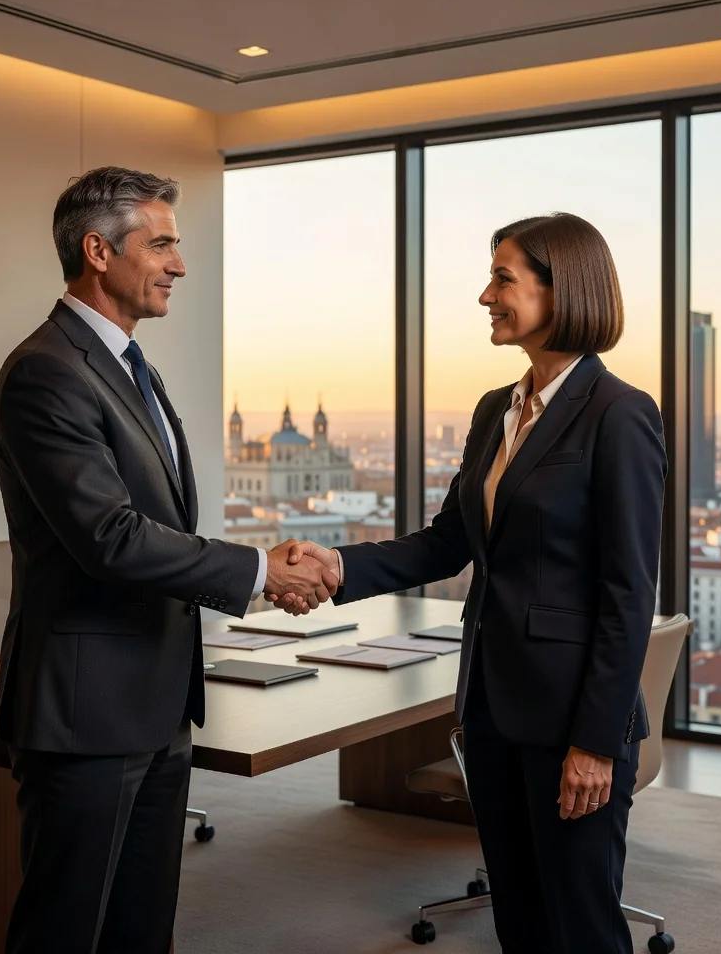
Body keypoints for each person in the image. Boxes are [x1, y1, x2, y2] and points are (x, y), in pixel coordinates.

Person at [273, 213, 666, 954]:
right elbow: (450, 542)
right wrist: (338, 568)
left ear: (562, 291)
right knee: (517, 918)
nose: (485, 295)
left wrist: (595, 743)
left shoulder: (619, 415)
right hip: (488, 707)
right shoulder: (497, 410)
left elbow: (627, 595)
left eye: (503, 278)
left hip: (569, 721)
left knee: (581, 925)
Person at [0, 165, 335, 954]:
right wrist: (257, 572)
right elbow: (108, 535)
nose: (180, 264)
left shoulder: (129, 366)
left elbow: (160, 521)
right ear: (97, 252)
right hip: (85, 711)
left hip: (154, 701)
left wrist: (256, 567)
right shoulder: (46, 371)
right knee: (64, 930)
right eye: (164, 244)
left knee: (142, 931)